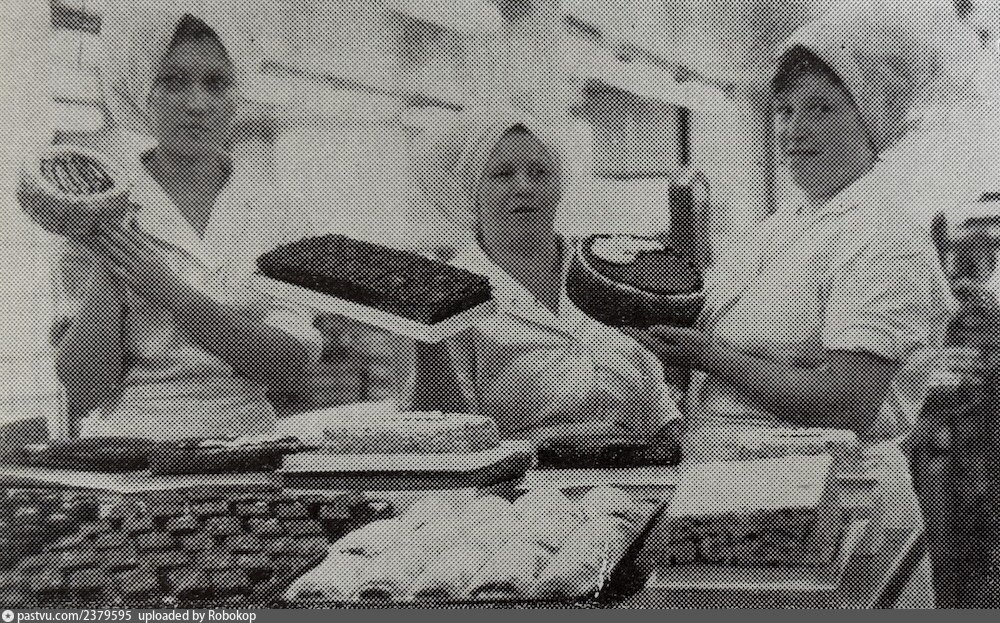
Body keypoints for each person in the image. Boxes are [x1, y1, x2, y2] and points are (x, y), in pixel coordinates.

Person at [44, 2, 323, 440]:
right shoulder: (101, 206)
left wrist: (169, 292)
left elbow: (291, 366)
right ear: (141, 90)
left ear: (238, 94)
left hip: (250, 446)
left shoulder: (280, 213)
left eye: (216, 83)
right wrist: (109, 266)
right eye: (172, 82)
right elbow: (85, 388)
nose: (197, 104)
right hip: (134, 447)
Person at [403, 108, 676, 440]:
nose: (523, 186)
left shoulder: (606, 272)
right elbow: (440, 434)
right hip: (524, 474)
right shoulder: (451, 294)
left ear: (559, 185)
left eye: (539, 172)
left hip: (640, 471)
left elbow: (661, 416)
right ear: (471, 191)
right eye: (502, 174)